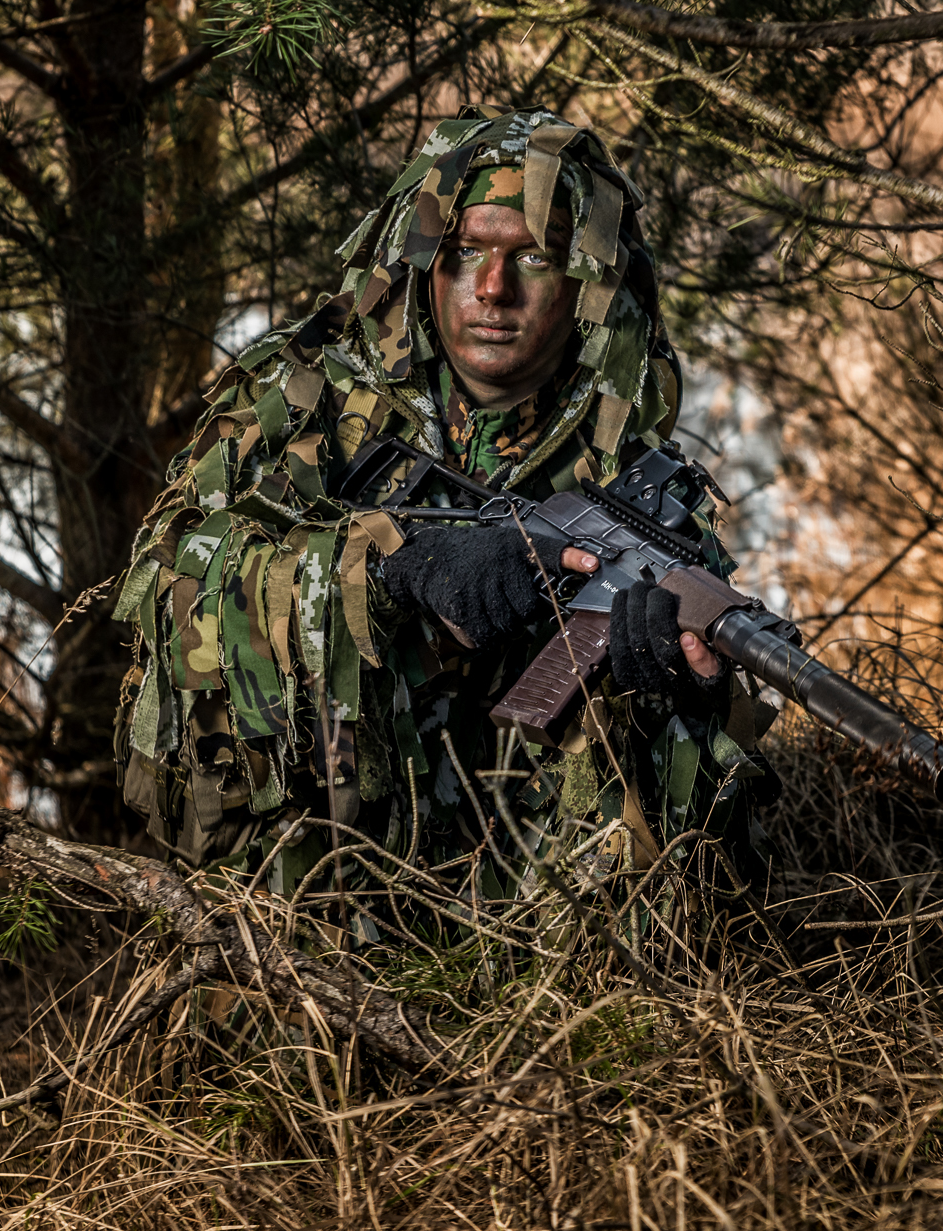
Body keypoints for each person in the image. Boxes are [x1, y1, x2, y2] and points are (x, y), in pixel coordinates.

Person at [110, 106, 774, 921]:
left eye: (533, 255)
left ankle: (577, 998)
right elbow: (168, 571)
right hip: (316, 882)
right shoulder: (303, 397)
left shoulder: (640, 490)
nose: (493, 289)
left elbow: (723, 849)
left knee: (672, 713)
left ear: (585, 283)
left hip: (525, 926)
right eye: (466, 253)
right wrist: (393, 568)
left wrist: (686, 700)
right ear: (426, 259)